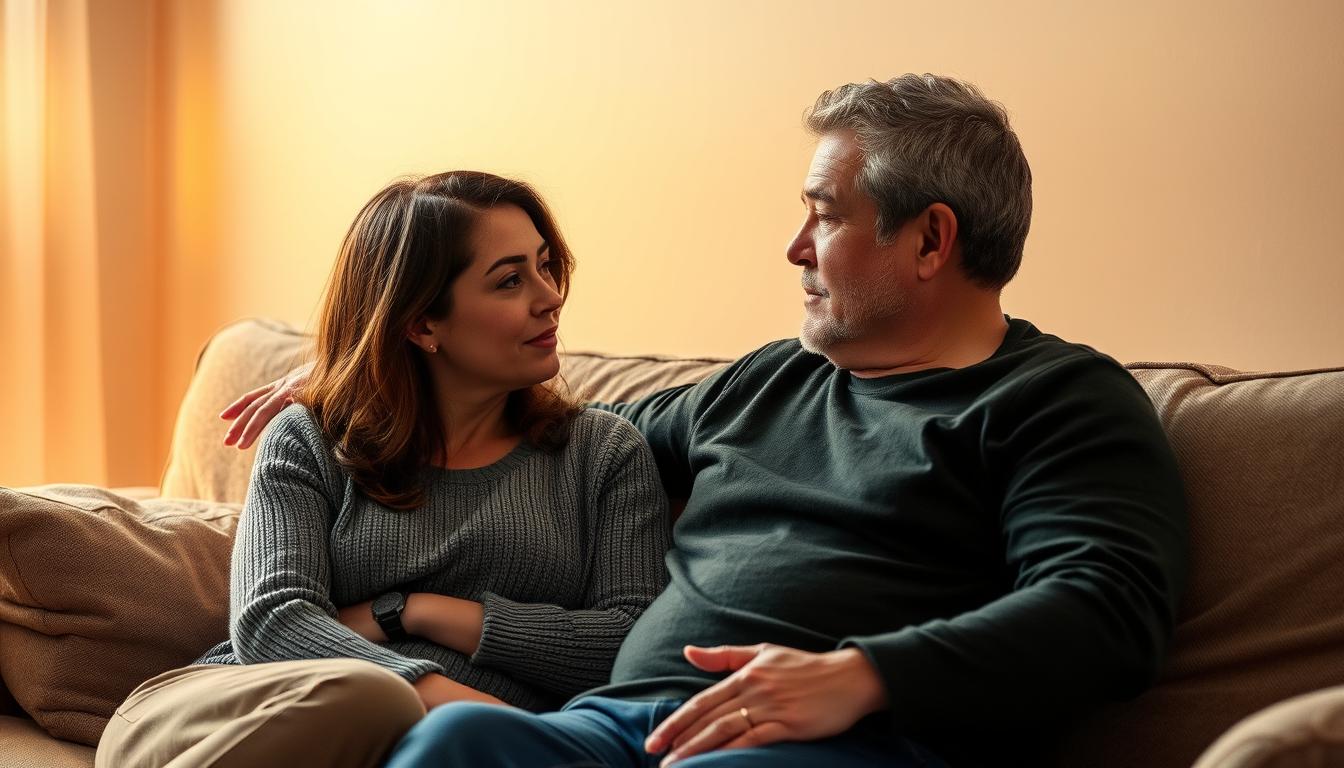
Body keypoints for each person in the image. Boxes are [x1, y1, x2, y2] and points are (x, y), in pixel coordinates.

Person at [225, 74, 1188, 767]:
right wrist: (372, 368)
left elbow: (1109, 611)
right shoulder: (766, 383)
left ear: (930, 239)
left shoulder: (1058, 401)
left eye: (824, 215)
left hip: (841, 740)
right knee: (461, 736)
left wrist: (859, 677)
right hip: (622, 727)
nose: (793, 246)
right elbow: (547, 435)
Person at [95, 171, 671, 768]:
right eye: (509, 280)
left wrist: (416, 611)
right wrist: (455, 704)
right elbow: (273, 621)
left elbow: (629, 644)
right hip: (222, 712)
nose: (549, 295)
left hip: (425, 754)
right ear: (422, 325)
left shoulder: (602, 453)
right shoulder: (312, 439)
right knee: (370, 696)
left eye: (546, 266)